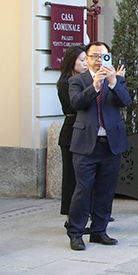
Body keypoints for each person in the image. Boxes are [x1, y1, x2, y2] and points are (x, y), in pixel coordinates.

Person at [65, 41, 129, 250]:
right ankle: (75, 232)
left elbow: (125, 101)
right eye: (94, 56)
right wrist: (94, 87)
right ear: (87, 58)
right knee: (83, 189)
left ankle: (99, 231)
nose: (99, 60)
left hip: (110, 143)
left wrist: (113, 83)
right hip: (86, 144)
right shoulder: (77, 80)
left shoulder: (116, 79)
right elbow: (76, 104)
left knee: (106, 189)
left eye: (103, 56)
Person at [56, 45, 86, 216]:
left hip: (85, 133)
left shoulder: (86, 80)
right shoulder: (65, 83)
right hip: (72, 132)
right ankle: (70, 216)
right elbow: (76, 106)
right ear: (71, 61)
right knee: (71, 177)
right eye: (82, 60)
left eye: (86, 60)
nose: (85, 64)